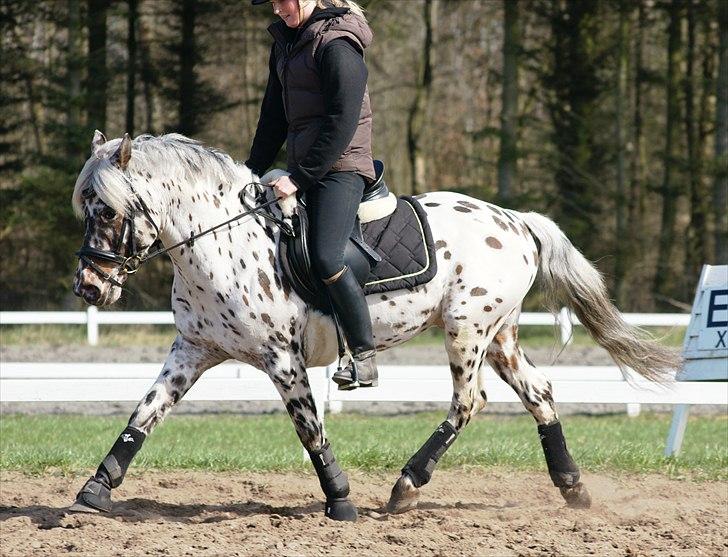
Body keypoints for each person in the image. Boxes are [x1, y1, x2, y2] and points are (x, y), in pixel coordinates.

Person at [246, 0, 378, 390]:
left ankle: (365, 357)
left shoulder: (337, 44)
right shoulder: (285, 44)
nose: (276, 9)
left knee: (326, 255)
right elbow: (273, 116)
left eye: (281, 0)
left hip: (343, 166)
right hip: (305, 166)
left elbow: (342, 121)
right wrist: (247, 172)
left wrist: (299, 178)